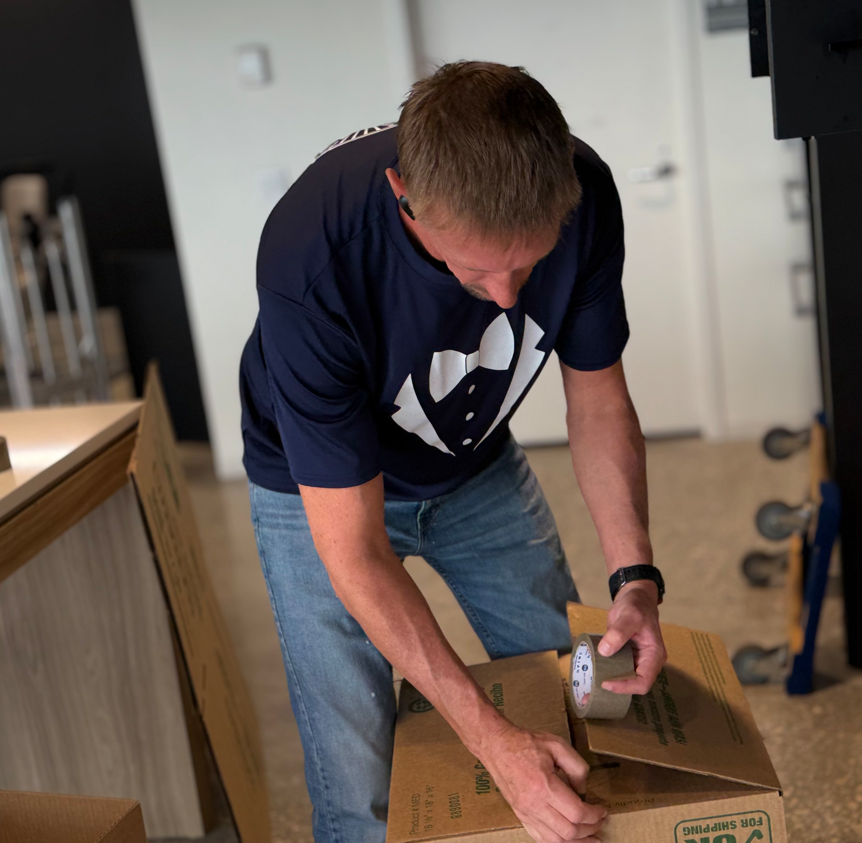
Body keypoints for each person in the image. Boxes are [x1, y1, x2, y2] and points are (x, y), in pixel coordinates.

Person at [239, 60, 667, 843]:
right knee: (359, 775)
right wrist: (490, 741)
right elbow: (355, 552)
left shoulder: (586, 195)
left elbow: (598, 397)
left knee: (574, 697)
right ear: (407, 200)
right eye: (475, 269)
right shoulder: (313, 255)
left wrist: (634, 578)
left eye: (528, 263)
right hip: (316, 494)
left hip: (473, 466)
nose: (506, 298)